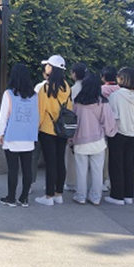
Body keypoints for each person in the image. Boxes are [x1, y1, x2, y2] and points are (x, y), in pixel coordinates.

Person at [70, 72, 117, 205]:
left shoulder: (77, 101)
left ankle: (81, 196)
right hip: (98, 141)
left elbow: (73, 122)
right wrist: (111, 133)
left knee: (81, 170)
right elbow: (108, 122)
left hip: (80, 140)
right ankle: (96, 197)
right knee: (97, 171)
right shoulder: (102, 102)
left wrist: (71, 140)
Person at [0, 63, 39, 207]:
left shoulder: (9, 94)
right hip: (28, 136)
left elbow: (3, 116)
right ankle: (24, 198)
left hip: (12, 136)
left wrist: (0, 133)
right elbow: (36, 116)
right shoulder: (34, 95)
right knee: (27, 169)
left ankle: (11, 198)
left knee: (13, 169)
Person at [35, 54, 71, 206]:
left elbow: (40, 111)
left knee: (50, 163)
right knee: (60, 161)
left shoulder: (45, 88)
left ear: (51, 68)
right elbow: (69, 108)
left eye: (47, 65)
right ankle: (58, 194)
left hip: (48, 129)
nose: (45, 67)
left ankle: (48, 196)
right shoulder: (66, 87)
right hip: (63, 129)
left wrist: (36, 128)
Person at [106, 68, 134, 205]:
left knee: (116, 165)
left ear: (122, 79)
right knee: (129, 165)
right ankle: (129, 195)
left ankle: (117, 196)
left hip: (117, 133)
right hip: (132, 133)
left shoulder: (115, 96)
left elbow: (111, 116)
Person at [63, 62, 87, 192]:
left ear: (74, 74)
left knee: (71, 156)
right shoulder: (90, 87)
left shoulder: (73, 89)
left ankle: (71, 182)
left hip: (75, 126)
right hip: (90, 128)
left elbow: (69, 109)